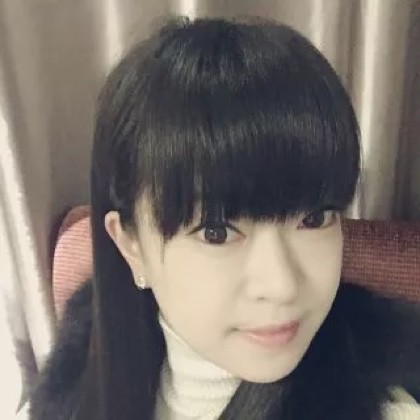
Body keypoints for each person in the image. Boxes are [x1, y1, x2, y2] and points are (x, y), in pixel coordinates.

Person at [28, 17, 420, 420]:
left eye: (315, 218)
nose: (282, 286)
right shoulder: (68, 398)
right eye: (216, 232)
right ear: (132, 246)